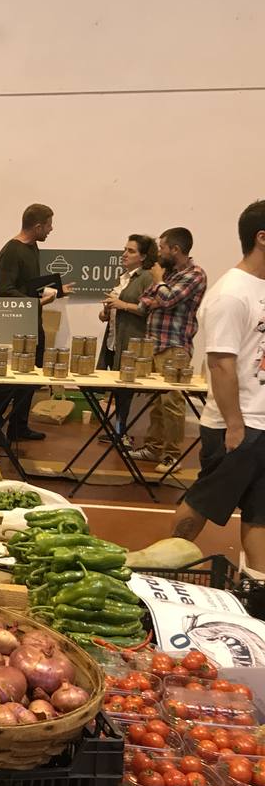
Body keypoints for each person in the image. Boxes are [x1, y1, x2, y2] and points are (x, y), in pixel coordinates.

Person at [169, 201, 265, 569]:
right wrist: (236, 424)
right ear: (261, 237)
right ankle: (161, 567)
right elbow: (221, 364)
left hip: (261, 425)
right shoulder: (231, 293)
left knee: (259, 513)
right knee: (203, 502)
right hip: (236, 427)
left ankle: (256, 585)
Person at [128, 228, 208, 473]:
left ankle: (172, 455)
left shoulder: (195, 274)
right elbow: (145, 300)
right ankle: (153, 448)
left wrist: (159, 284)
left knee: (172, 402)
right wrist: (159, 291)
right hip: (154, 344)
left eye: (162, 247)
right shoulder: (168, 274)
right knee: (157, 402)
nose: (159, 251)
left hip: (175, 346)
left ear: (176, 249)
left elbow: (168, 298)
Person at [0, 204, 71, 442]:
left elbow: (28, 284)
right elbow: (5, 292)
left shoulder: (32, 247)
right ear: (37, 226)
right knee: (7, 384)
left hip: (32, 325)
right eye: (48, 225)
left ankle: (18, 427)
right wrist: (40, 303)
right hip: (14, 329)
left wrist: (57, 289)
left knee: (30, 380)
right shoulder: (11, 252)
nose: (51, 229)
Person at [99, 235, 157, 439]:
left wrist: (122, 305)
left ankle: (124, 432)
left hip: (132, 340)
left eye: (131, 251)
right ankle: (118, 430)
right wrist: (106, 311)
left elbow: (149, 309)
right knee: (117, 388)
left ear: (143, 256)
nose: (124, 254)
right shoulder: (124, 277)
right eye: (125, 249)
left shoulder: (147, 278)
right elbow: (115, 309)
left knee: (127, 389)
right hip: (115, 338)